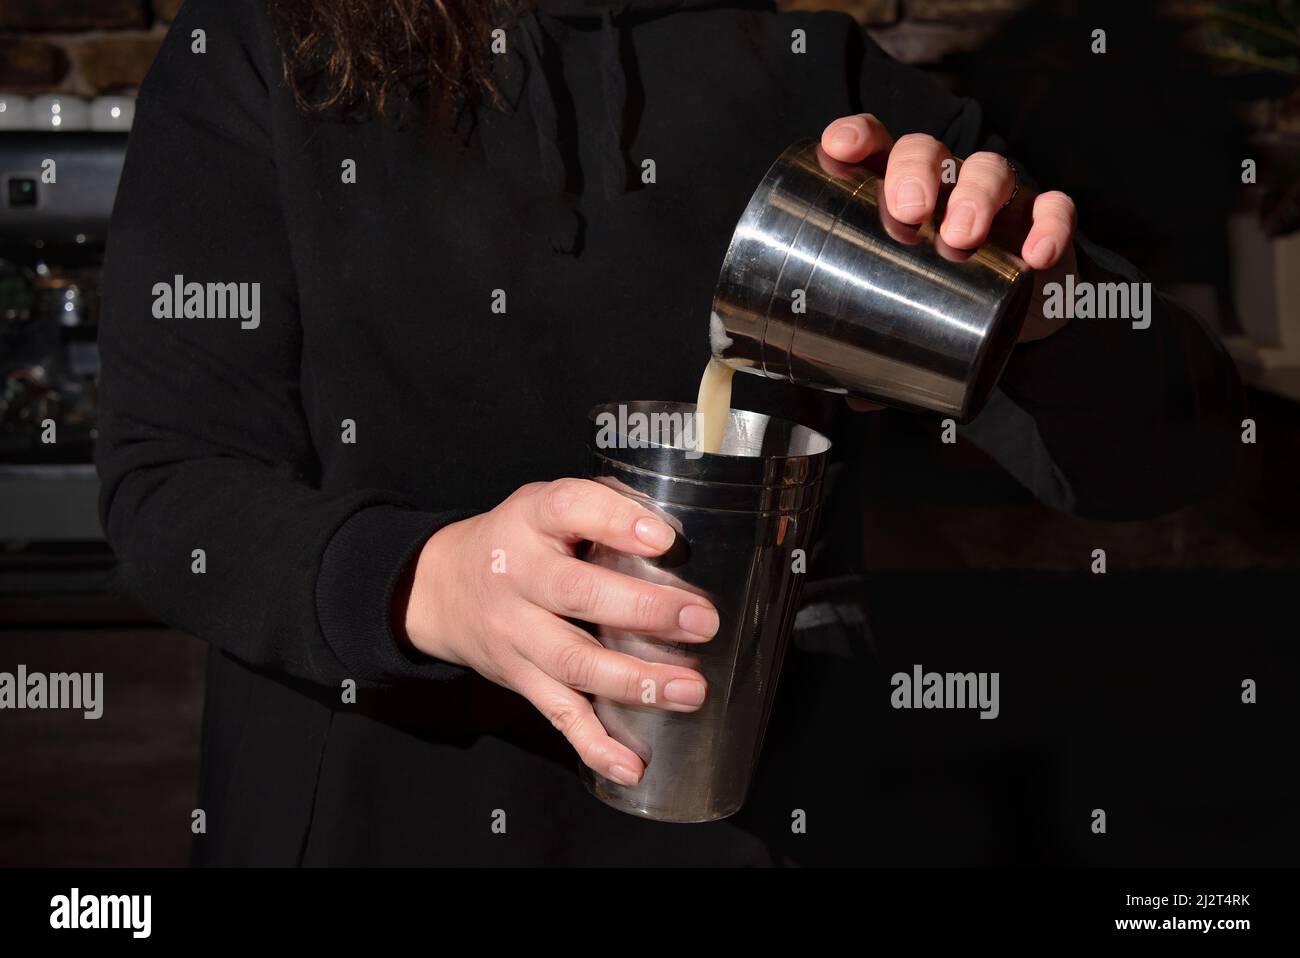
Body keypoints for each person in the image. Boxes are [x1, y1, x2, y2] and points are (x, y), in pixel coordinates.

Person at [97, 0, 1241, 865]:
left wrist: (1048, 315)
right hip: (369, 810)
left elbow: (1163, 457)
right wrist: (430, 581)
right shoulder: (264, 45)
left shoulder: (811, 72)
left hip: (761, 815)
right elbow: (168, 485)